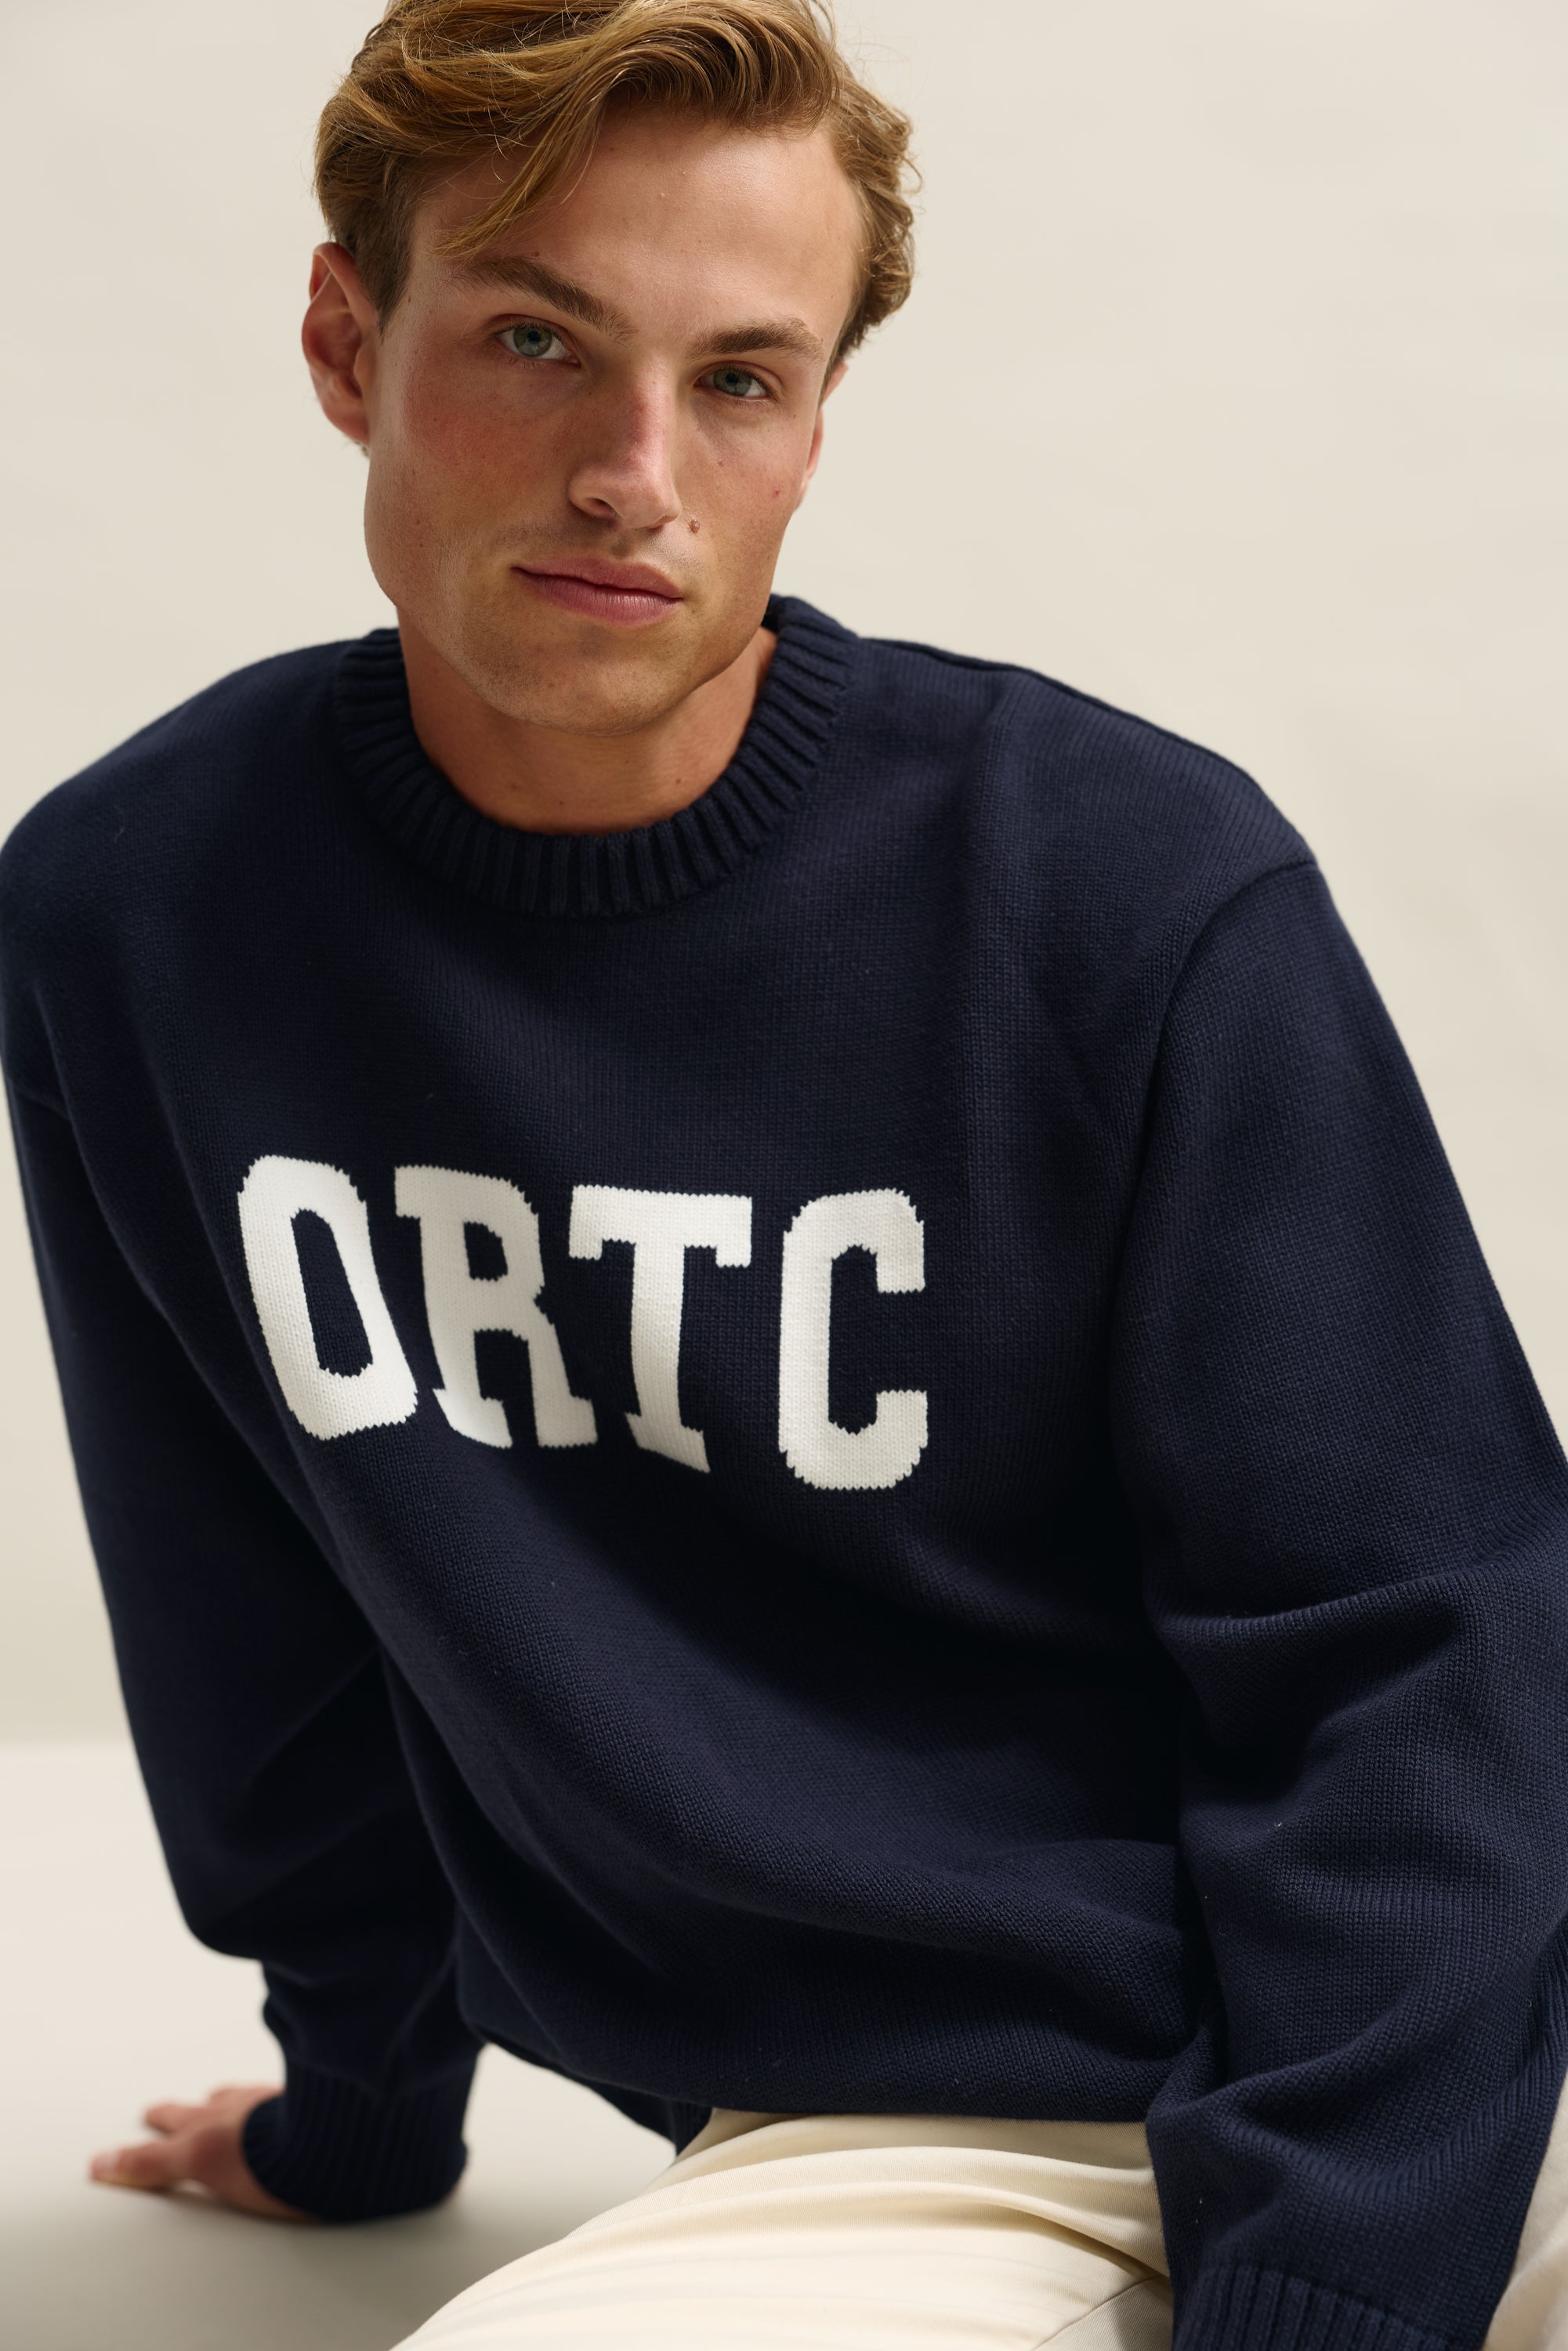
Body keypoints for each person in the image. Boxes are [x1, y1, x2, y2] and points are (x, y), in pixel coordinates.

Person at [3, 2, 1567, 2345]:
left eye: (737, 377)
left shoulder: (1125, 890)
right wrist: (360, 2108)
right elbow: (261, 1636)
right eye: (537, 340)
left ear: (815, 422)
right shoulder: (139, 915)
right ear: (346, 341)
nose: (633, 471)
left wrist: (1320, 2290)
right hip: (955, 2119)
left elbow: (1416, 1649)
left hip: (1441, 2015)